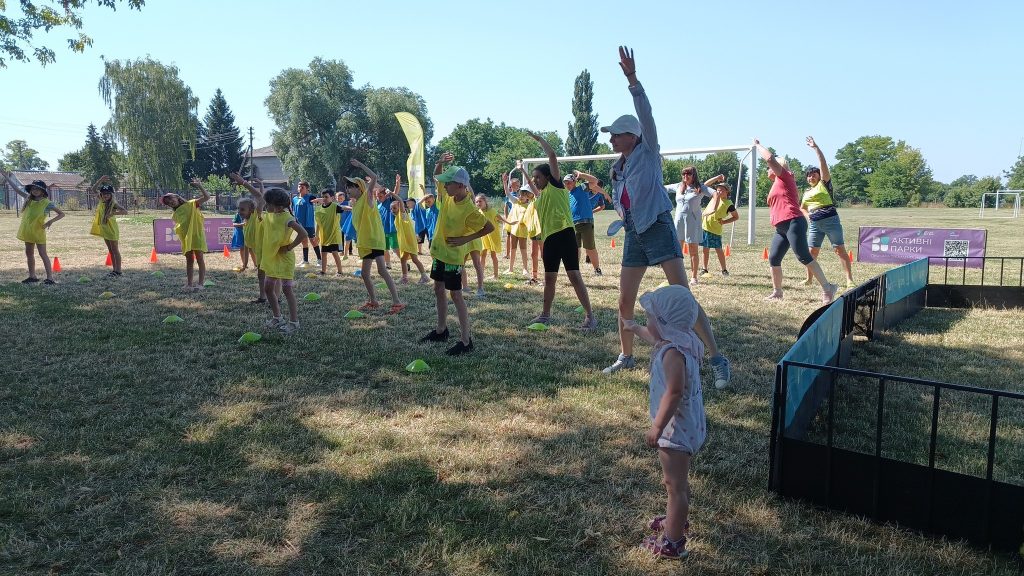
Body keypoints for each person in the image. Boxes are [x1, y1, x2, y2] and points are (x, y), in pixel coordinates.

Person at [600, 46, 730, 390]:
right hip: (634, 233)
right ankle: (626, 356)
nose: (611, 139)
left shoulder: (647, 150)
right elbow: (624, 201)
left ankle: (717, 359)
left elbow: (646, 113)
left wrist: (632, 79)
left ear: (633, 136)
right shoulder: (617, 167)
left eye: (616, 134)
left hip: (657, 226)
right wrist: (622, 216)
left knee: (683, 297)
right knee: (624, 300)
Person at [623, 285, 705, 560]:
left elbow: (674, 391)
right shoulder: (681, 341)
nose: (648, 322)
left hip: (675, 430)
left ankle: (673, 542)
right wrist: (635, 328)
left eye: (650, 318)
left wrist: (657, 427)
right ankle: (675, 518)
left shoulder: (673, 353)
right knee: (677, 481)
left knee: (674, 486)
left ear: (665, 323)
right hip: (686, 424)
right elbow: (653, 337)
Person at [420, 153, 495, 355]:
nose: (444, 186)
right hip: (439, 253)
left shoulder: (470, 209)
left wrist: (465, 239)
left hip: (453, 257)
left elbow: (489, 227)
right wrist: (439, 163)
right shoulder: (447, 196)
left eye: (449, 183)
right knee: (438, 288)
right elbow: (437, 177)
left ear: (461, 185)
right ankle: (441, 330)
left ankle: (465, 341)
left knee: (455, 294)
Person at [524, 131, 597, 330]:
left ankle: (590, 317)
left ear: (548, 177)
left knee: (574, 276)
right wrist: (524, 173)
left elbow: (552, 156)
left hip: (565, 235)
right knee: (549, 278)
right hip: (549, 239)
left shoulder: (556, 186)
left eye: (538, 177)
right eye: (534, 178)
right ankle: (545, 315)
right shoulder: (540, 196)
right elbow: (531, 185)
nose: (535, 180)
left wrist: (539, 140)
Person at [755, 139, 838, 303]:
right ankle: (777, 292)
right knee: (774, 258)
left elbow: (769, 159)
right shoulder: (777, 183)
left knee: (803, 256)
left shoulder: (786, 176)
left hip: (793, 221)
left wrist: (757, 145)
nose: (767, 169)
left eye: (769, 168)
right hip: (781, 227)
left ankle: (828, 288)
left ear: (778, 167)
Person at [346, 159, 404, 314]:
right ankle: (373, 301)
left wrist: (360, 165)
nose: (348, 189)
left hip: (374, 240)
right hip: (364, 242)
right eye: (347, 187)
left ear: (359, 188)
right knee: (365, 274)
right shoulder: (355, 204)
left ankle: (397, 302)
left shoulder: (367, 197)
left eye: (351, 186)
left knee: (382, 271)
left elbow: (374, 177)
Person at [801, 136, 855, 287]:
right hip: (815, 225)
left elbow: (823, 163)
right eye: (809, 175)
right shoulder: (806, 192)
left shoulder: (824, 185)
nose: (811, 177)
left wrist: (816, 148)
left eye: (814, 174)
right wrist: (808, 217)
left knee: (839, 250)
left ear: (819, 176)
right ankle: (809, 279)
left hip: (831, 221)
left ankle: (849, 280)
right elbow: (802, 208)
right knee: (811, 253)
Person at [260, 187, 308, 334]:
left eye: (268, 204)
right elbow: (259, 200)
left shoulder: (287, 218)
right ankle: (277, 318)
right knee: (268, 288)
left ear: (279, 207)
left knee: (287, 289)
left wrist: (288, 247)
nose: (266, 206)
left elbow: (303, 233)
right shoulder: (270, 215)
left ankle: (294, 322)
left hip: (284, 259)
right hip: (272, 258)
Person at [2, 173, 65, 284]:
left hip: (38, 232)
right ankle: (32, 276)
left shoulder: (47, 203)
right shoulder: (28, 199)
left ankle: (50, 278)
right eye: (33, 188)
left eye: (38, 189)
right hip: (27, 231)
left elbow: (61, 214)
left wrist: (50, 222)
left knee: (43, 254)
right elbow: (16, 189)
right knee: (29, 253)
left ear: (43, 191)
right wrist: (6, 177)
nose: (35, 190)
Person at [161, 179, 211, 291]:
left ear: (177, 197)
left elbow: (207, 197)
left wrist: (200, 186)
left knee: (200, 259)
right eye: (168, 203)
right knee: (189, 260)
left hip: (197, 235)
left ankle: (200, 284)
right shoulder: (175, 213)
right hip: (186, 238)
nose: (170, 202)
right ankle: (189, 284)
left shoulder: (192, 204)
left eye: (171, 199)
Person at [229, 173, 268, 304]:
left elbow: (259, 197)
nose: (239, 212)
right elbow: (246, 245)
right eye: (239, 209)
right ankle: (263, 297)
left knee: (270, 276)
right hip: (260, 252)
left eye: (242, 209)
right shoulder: (246, 223)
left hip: (266, 250)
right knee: (261, 275)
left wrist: (244, 183)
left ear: (251, 210)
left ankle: (275, 297)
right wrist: (245, 265)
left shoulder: (257, 216)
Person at [674, 167, 715, 285]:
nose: (685, 176)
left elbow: (715, 193)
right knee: (677, 250)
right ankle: (677, 276)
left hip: (692, 222)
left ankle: (694, 277)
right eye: (683, 174)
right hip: (679, 222)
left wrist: (713, 209)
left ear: (693, 175)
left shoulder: (700, 187)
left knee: (693, 250)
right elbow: (662, 187)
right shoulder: (679, 186)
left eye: (688, 174)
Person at [567, 170, 609, 275]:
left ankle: (597, 269)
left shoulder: (582, 187)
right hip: (573, 224)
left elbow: (595, 181)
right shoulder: (567, 194)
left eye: (569, 182)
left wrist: (581, 175)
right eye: (565, 182)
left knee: (590, 248)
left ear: (574, 182)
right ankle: (575, 270)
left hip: (586, 222)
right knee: (575, 248)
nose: (567, 184)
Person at [88, 176, 127, 277]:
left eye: (108, 194)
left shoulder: (113, 204)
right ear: (101, 194)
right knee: (110, 251)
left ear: (111, 195)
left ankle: (119, 271)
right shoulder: (101, 200)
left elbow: (125, 211)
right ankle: (114, 270)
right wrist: (100, 180)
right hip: (105, 229)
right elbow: (93, 189)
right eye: (104, 194)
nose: (106, 195)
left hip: (112, 230)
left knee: (115, 250)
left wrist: (113, 213)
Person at [699, 182, 739, 277]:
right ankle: (704, 269)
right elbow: (705, 185)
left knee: (719, 250)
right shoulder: (714, 197)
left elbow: (736, 217)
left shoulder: (729, 204)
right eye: (717, 190)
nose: (718, 192)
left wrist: (724, 222)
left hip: (715, 230)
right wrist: (716, 178)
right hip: (705, 227)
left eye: (721, 190)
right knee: (705, 249)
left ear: (727, 191)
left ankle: (724, 270)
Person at [397, 193, 429, 284]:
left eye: (394, 208)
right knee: (403, 259)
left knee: (413, 259)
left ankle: (423, 277)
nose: (392, 210)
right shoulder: (407, 214)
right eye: (391, 209)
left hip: (410, 242)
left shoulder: (404, 214)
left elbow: (400, 202)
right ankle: (405, 278)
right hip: (408, 241)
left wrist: (392, 194)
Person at [503, 172, 530, 277]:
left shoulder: (529, 205)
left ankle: (525, 269)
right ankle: (510, 268)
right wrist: (505, 182)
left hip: (522, 230)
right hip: (514, 229)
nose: (521, 197)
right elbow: (507, 193)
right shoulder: (515, 202)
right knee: (512, 249)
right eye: (520, 195)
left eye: (524, 195)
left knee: (523, 250)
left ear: (528, 197)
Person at [312, 188, 345, 275]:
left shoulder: (335, 206)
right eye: (323, 197)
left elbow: (344, 208)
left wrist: (353, 208)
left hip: (334, 235)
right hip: (325, 236)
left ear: (332, 198)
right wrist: (316, 235)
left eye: (326, 197)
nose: (324, 199)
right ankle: (323, 271)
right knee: (323, 253)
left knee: (335, 253)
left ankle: (340, 271)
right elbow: (318, 223)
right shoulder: (319, 209)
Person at [476, 194, 506, 280]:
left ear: (485, 201)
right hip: (484, 236)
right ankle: (481, 274)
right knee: (483, 254)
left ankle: (495, 275)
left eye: (480, 201)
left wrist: (510, 223)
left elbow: (501, 219)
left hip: (493, 236)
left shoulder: (492, 211)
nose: (478, 203)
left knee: (493, 255)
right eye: (476, 202)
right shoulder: (478, 212)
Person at [291, 180, 319, 268]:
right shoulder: (294, 199)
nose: (300, 188)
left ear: (307, 189)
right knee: (304, 242)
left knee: (313, 241)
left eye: (302, 187)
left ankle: (319, 260)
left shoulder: (310, 197)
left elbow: (319, 201)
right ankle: (305, 261)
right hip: (299, 224)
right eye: (299, 186)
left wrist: (322, 201)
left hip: (309, 224)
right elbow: (292, 211)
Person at [338, 190, 356, 258]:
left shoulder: (347, 203)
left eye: (341, 198)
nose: (339, 199)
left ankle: (350, 251)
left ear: (344, 198)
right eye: (338, 198)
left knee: (349, 237)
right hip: (339, 225)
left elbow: (352, 201)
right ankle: (341, 251)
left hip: (347, 224)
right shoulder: (336, 205)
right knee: (340, 239)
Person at [230, 203, 248, 272]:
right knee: (242, 248)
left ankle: (255, 264)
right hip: (240, 233)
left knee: (251, 249)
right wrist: (242, 224)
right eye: (240, 208)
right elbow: (234, 224)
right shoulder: (237, 215)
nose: (241, 210)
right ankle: (244, 264)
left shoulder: (250, 214)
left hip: (248, 233)